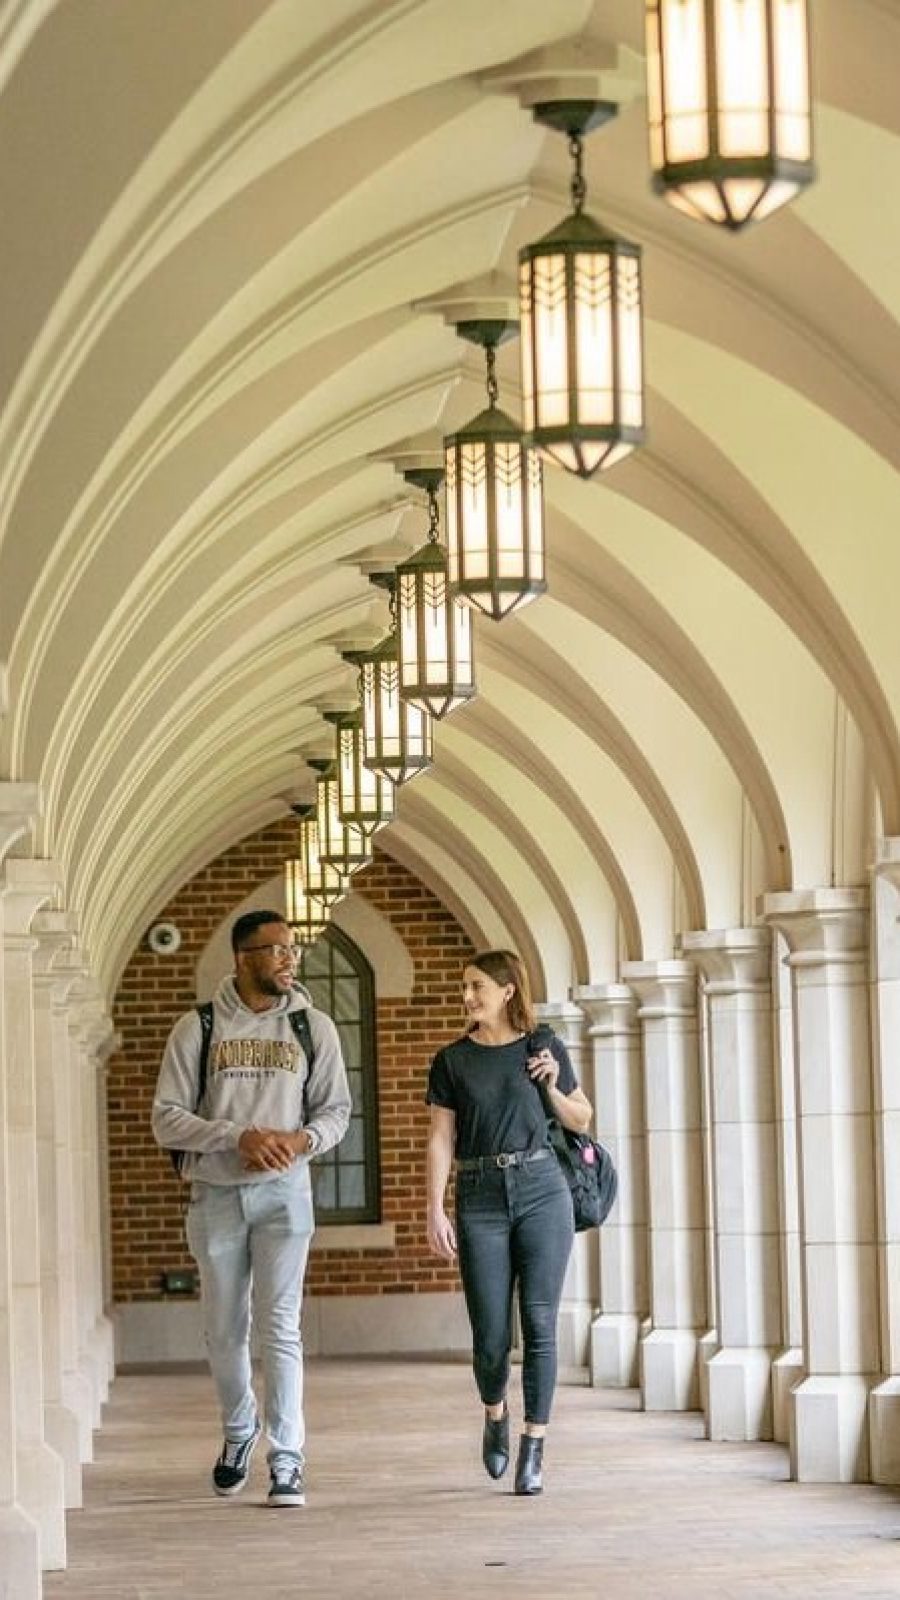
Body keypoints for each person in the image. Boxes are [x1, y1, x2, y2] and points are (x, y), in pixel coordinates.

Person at [152, 909, 351, 1508]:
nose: (289, 959)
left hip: (286, 1193)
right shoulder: (199, 1028)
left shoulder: (314, 1028)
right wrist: (235, 1136)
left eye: (293, 949)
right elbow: (166, 1117)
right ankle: (240, 1432)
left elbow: (336, 1112)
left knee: (281, 1325)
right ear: (242, 958)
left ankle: (287, 1457)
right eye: (276, 949)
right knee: (224, 1329)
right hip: (216, 1193)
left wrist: (300, 1140)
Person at [426, 949, 593, 1495]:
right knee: (492, 1337)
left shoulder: (542, 1046)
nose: (468, 996)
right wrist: (434, 1206)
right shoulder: (452, 1060)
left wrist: (548, 1085)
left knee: (540, 1323)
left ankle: (534, 1446)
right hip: (480, 1196)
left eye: (477, 986)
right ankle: (495, 1412)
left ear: (507, 991)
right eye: (465, 987)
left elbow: (582, 1116)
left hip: (543, 1189)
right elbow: (441, 1138)